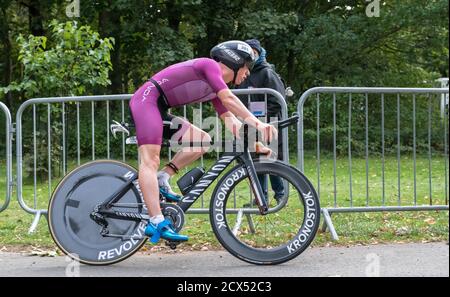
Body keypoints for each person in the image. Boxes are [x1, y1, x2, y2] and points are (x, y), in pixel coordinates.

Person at [129, 40, 278, 244]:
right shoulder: (209, 66)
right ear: (233, 62)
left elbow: (231, 122)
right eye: (246, 67)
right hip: (146, 101)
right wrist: (258, 123)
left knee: (202, 140)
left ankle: (163, 177)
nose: (248, 73)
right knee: (149, 161)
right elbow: (230, 100)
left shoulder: (214, 86)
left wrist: (254, 145)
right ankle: (155, 220)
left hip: (158, 107)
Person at [236, 39, 286, 204]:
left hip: (268, 123)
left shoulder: (267, 73)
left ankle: (280, 195)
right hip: (249, 124)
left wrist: (261, 121)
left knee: (270, 160)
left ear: (258, 53)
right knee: (256, 161)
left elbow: (277, 101)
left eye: (253, 52)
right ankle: (261, 196)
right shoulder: (242, 72)